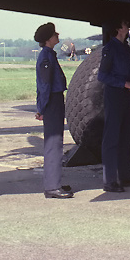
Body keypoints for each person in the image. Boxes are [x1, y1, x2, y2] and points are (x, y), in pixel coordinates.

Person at [96, 19, 130, 192]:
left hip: (125, 95)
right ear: (118, 29)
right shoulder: (110, 49)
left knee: (125, 137)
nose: (128, 26)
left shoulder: (125, 47)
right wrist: (123, 84)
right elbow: (102, 76)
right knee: (111, 137)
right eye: (125, 24)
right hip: (115, 95)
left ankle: (126, 176)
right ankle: (109, 180)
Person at [34, 22, 73, 199]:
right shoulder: (45, 58)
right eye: (55, 34)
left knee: (56, 143)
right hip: (52, 101)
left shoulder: (49, 55)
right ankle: (52, 186)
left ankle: (55, 182)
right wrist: (41, 108)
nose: (58, 36)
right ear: (49, 39)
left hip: (55, 100)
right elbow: (44, 85)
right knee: (53, 144)